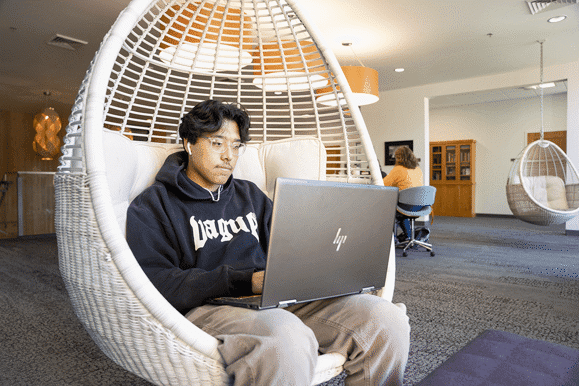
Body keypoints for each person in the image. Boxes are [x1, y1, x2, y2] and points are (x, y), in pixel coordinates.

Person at [126, 99, 410, 386]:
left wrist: (324, 262)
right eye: (217, 144)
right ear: (188, 143)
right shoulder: (154, 204)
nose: (229, 156)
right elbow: (158, 282)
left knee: (385, 320)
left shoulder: (250, 195)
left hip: (275, 297)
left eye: (236, 146)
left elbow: (293, 247)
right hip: (211, 306)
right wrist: (247, 281)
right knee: (284, 337)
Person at [382, 146, 424, 242]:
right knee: (401, 211)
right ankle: (408, 236)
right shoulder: (418, 169)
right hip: (420, 206)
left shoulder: (398, 169)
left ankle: (391, 240)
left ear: (399, 157)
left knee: (392, 210)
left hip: (406, 207)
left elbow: (384, 184)